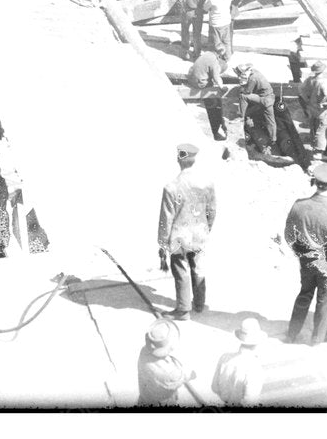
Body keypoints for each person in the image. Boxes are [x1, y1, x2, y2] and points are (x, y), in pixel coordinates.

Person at [283, 163, 327, 345]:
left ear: (315, 183)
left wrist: (302, 253)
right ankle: (318, 339)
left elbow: (289, 235)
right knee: (324, 299)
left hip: (306, 260)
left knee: (304, 294)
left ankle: (292, 334)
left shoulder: (298, 206)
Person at [158, 141, 217, 319]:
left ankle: (183, 310)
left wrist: (162, 243)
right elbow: (212, 210)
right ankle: (199, 304)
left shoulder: (171, 187)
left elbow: (166, 218)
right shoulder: (207, 183)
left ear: (179, 159)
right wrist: (207, 228)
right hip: (199, 233)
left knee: (181, 270)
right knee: (198, 268)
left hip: (179, 237)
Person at [136, 319, 196, 407]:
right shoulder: (170, 373)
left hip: (144, 398)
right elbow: (184, 376)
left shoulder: (144, 351)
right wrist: (192, 375)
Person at [228, 56, 277, 161]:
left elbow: (247, 92)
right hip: (269, 97)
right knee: (271, 121)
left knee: (243, 96)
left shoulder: (252, 78)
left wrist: (242, 86)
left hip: (264, 99)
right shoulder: (254, 72)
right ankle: (273, 138)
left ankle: (241, 116)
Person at [210, 319, 266, 407]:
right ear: (257, 343)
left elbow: (215, 387)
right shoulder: (255, 368)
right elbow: (250, 401)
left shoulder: (224, 358)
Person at [298, 60, 327, 169]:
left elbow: (300, 90)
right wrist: (325, 105)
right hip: (321, 111)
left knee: (313, 127)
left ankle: (314, 147)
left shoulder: (309, 80)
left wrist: (307, 100)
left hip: (312, 109)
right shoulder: (323, 83)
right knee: (321, 130)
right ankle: (318, 153)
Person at [187, 48, 229, 141]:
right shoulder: (214, 62)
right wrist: (222, 87)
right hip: (199, 83)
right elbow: (217, 77)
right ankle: (217, 132)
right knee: (215, 103)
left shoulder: (207, 54)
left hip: (191, 78)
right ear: (219, 56)